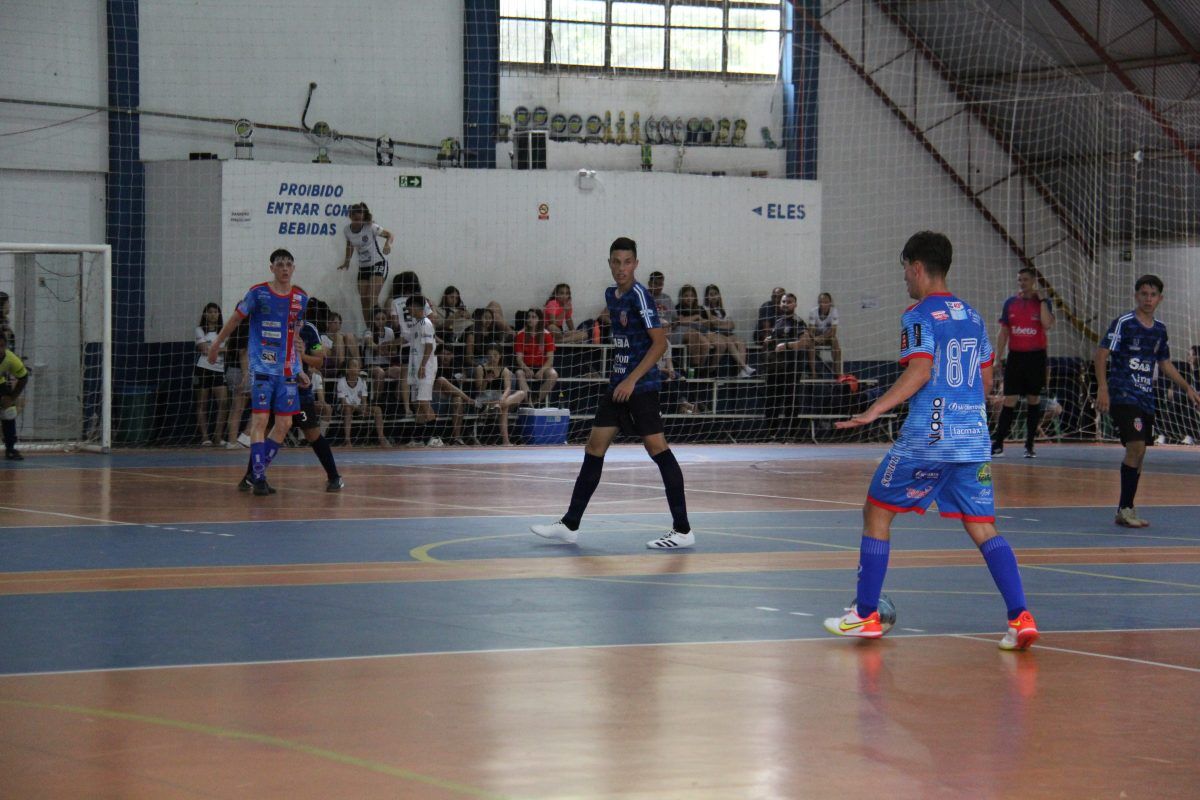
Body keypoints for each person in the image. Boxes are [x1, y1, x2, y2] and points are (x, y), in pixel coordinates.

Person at [826, 231, 1038, 651]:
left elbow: (920, 371)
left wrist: (874, 409)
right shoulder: (974, 316)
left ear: (918, 267)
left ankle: (865, 614)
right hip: (973, 440)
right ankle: (1020, 617)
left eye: (905, 269)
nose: (905, 277)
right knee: (982, 526)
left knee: (877, 512)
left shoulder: (918, 314)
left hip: (928, 438)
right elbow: (985, 380)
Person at [531, 236, 694, 550]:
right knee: (594, 448)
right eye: (616, 262)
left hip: (640, 387)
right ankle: (570, 524)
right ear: (609, 263)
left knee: (658, 450)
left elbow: (659, 344)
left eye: (627, 262)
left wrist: (631, 380)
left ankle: (683, 530)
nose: (621, 268)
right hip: (617, 386)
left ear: (636, 264)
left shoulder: (639, 296)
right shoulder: (612, 295)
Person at [1095, 274, 1200, 528]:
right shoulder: (1124, 323)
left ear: (1160, 299)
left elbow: (1164, 364)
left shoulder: (1160, 330)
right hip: (1123, 394)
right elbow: (1101, 354)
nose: (1148, 299)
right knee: (1137, 448)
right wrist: (1103, 388)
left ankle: (1127, 507)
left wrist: (1187, 387)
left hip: (1146, 397)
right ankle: (1124, 508)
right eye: (1143, 294)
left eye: (1153, 295)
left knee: (1140, 454)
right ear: (1136, 295)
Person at [207, 248, 308, 495]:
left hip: (287, 371)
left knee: (284, 424)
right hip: (262, 367)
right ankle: (260, 478)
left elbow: (295, 337)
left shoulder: (301, 298)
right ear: (271, 268)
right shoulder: (258, 293)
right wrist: (216, 343)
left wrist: (300, 368)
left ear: (293, 268)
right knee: (261, 420)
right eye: (280, 264)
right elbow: (234, 319)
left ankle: (253, 474)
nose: (284, 268)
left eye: (288, 264)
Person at [238, 304, 346, 490]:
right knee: (266, 431)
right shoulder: (273, 328)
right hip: (276, 388)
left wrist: (302, 356)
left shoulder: (309, 330)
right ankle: (251, 477)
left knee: (312, 433)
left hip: (300, 392)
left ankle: (334, 477)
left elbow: (319, 360)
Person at [991, 268, 1055, 458]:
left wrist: (1042, 300)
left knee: (1033, 400)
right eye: (1020, 280)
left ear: (1034, 281)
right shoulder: (1010, 303)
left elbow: (1047, 324)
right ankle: (999, 443)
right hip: (1016, 357)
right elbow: (1003, 333)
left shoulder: (1043, 303)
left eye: (1026, 279)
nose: (1022, 283)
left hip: (1035, 357)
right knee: (1009, 399)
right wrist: (997, 358)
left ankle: (1029, 445)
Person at [403, 294, 473, 447]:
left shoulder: (427, 324)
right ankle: (418, 438)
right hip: (415, 369)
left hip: (425, 368)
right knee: (418, 404)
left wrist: (422, 366)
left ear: (416, 306)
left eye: (409, 307)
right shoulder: (416, 324)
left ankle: (435, 437)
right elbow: (406, 340)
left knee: (424, 402)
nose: (408, 310)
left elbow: (429, 347)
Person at [337, 202, 395, 327]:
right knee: (364, 300)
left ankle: (381, 329)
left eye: (360, 219)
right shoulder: (347, 230)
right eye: (356, 219)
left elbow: (390, 235)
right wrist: (346, 262)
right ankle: (369, 329)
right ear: (350, 217)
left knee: (371, 297)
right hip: (363, 267)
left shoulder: (371, 227)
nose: (358, 222)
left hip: (378, 263)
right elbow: (350, 245)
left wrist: (387, 245)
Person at [648, 270, 711, 376]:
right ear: (650, 284)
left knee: (697, 336)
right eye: (656, 284)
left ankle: (696, 369)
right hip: (654, 331)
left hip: (670, 330)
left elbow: (676, 318)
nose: (659, 287)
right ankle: (695, 372)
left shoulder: (666, 298)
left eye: (661, 284)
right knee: (693, 335)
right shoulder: (644, 297)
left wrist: (673, 324)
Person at [474, 343, 527, 446]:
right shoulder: (481, 368)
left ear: (500, 356)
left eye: (495, 355)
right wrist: (486, 381)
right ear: (486, 356)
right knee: (505, 407)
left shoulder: (504, 370)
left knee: (521, 393)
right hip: (485, 400)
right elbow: (479, 392)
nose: (493, 358)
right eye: (490, 356)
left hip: (500, 399)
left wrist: (502, 399)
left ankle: (500, 405)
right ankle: (506, 441)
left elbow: (508, 388)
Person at [194, 302, 230, 446]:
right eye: (210, 312)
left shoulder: (224, 330)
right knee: (202, 404)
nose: (213, 314)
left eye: (215, 312)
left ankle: (218, 436)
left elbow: (229, 350)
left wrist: (213, 349)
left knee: (224, 403)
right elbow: (203, 350)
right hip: (203, 369)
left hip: (219, 370)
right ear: (205, 314)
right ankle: (205, 438)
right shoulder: (199, 330)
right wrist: (220, 349)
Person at [704, 283, 755, 378]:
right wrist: (723, 324)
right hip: (716, 334)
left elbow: (732, 325)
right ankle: (744, 367)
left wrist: (721, 324)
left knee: (741, 342)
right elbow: (713, 324)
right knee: (728, 342)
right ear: (707, 297)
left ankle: (741, 372)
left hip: (727, 333)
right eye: (711, 294)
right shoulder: (705, 308)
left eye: (715, 294)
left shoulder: (723, 309)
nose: (714, 296)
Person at [336, 358, 390, 447]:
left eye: (358, 366)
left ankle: (381, 438)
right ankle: (347, 440)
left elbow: (364, 400)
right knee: (348, 409)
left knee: (377, 409)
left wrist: (364, 408)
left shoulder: (362, 381)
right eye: (355, 366)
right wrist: (359, 408)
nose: (358, 368)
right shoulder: (342, 381)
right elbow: (343, 403)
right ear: (347, 370)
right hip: (343, 408)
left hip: (358, 407)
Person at [513, 307, 558, 405]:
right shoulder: (520, 335)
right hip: (526, 366)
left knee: (553, 374)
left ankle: (536, 399)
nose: (530, 319)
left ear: (539, 319)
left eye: (534, 317)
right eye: (528, 317)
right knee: (519, 373)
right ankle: (529, 401)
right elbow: (519, 359)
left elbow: (550, 359)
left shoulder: (547, 335)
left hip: (542, 367)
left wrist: (541, 371)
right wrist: (526, 369)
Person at [1, 334, 29, 460]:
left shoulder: (11, 359)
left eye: (1, 346)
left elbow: (23, 378)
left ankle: (10, 448)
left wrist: (12, 397)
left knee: (9, 410)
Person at [807, 292, 843, 376]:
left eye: (826, 302)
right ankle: (813, 372)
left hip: (828, 337)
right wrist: (815, 338)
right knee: (810, 343)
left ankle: (837, 372)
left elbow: (833, 331)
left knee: (835, 342)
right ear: (819, 302)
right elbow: (811, 329)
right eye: (821, 302)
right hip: (816, 336)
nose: (823, 304)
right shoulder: (813, 311)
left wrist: (822, 337)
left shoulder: (834, 311)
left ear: (830, 303)